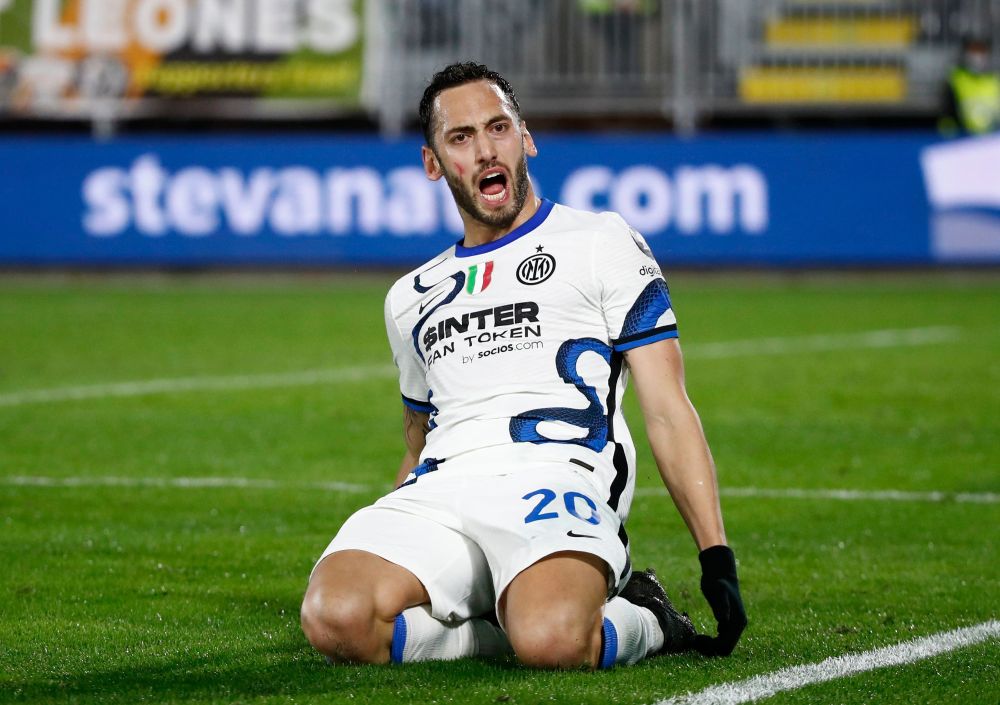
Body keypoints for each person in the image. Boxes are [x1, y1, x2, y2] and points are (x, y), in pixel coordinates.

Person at [300, 62, 746, 669]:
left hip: (556, 481)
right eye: (461, 138)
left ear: (526, 137)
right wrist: (396, 532)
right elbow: (418, 438)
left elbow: (667, 408)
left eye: (498, 128)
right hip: (444, 489)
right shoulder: (410, 297)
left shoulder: (600, 241)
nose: (486, 150)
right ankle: (494, 617)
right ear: (433, 163)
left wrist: (715, 554)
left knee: (554, 639)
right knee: (337, 618)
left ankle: (649, 617)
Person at [940, 37, 1000, 136]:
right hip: (964, 139)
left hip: (993, 140)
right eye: (973, 52)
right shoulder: (956, 78)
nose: (977, 57)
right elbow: (947, 113)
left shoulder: (995, 80)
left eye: (980, 52)